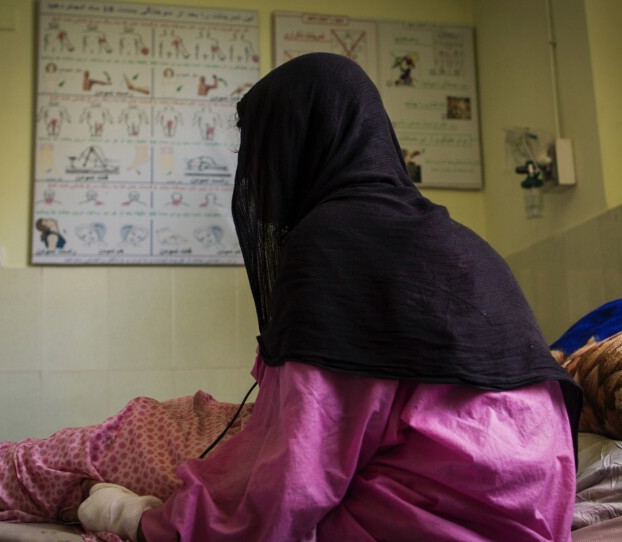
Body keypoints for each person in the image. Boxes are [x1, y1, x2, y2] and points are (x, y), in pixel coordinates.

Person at [78, 52, 581, 541]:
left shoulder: (333, 242)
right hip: (536, 514)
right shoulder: (466, 242)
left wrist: (139, 519)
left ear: (295, 145)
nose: (254, 176)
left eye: (259, 149)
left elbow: (291, 488)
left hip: (441, 521)